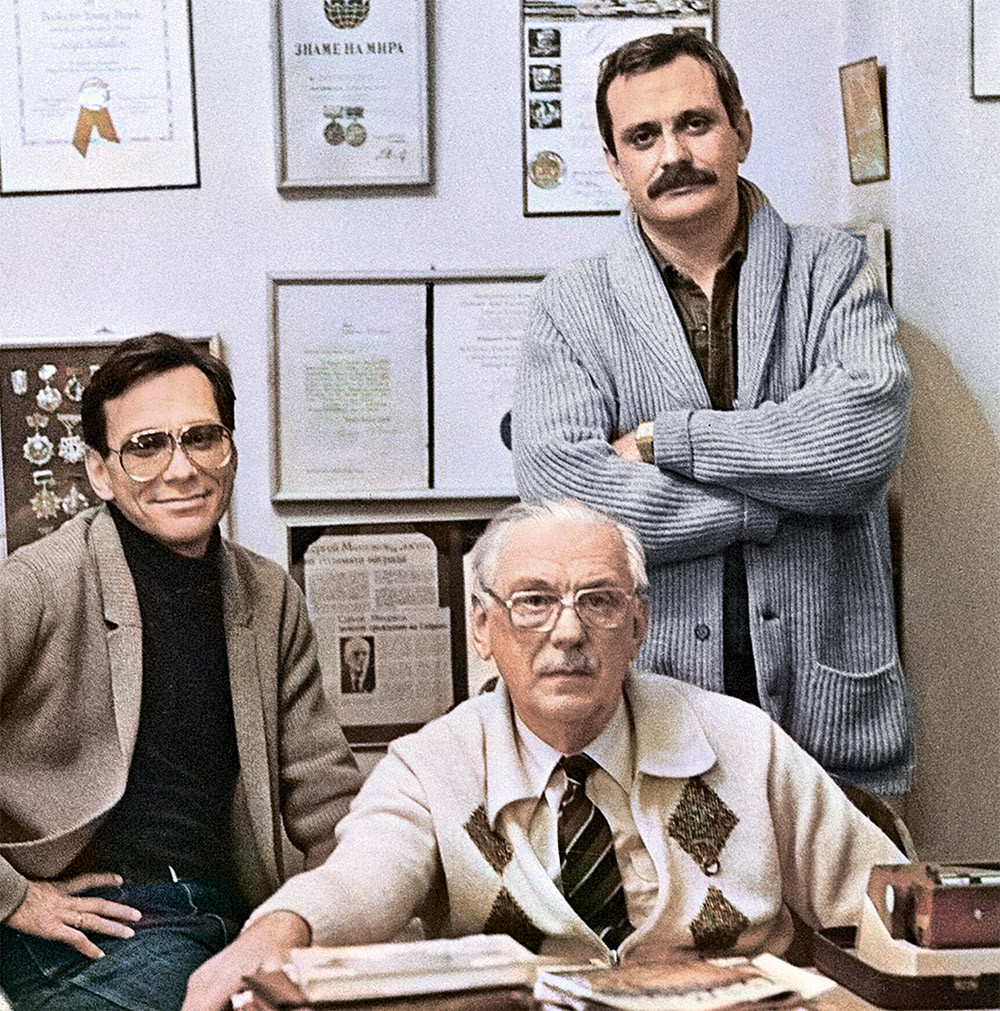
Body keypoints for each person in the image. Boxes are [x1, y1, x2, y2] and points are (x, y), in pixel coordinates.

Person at [181, 499, 903, 1011]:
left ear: (638, 625)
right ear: (482, 627)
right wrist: (277, 931)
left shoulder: (741, 742)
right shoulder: (433, 766)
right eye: (533, 601)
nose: (568, 631)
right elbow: (362, 878)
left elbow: (885, 902)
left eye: (599, 600)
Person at [512, 33, 913, 796]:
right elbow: (565, 497)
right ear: (615, 164)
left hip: (834, 732)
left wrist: (667, 438)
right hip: (646, 730)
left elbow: (860, 443)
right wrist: (769, 504)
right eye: (643, 136)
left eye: (694, 123)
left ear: (741, 132)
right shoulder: (571, 304)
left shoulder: (833, 268)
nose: (673, 154)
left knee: (843, 884)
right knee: (666, 880)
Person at [0, 334, 363, 1011]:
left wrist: (345, 924)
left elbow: (326, 796)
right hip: (92, 932)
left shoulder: (268, 595)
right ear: (100, 472)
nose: (181, 469)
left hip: (231, 918)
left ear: (231, 449)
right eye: (146, 446)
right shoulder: (37, 584)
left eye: (202, 438)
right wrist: (15, 897)